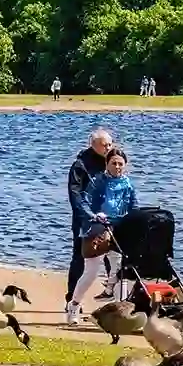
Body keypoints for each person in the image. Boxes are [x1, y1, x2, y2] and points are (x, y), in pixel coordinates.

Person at [70, 147, 136, 304]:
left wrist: (136, 220)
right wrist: (94, 215)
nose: (117, 167)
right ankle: (73, 305)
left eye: (120, 164)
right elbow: (84, 201)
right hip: (97, 229)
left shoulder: (128, 184)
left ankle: (121, 309)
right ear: (107, 164)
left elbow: (134, 206)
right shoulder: (98, 181)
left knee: (121, 272)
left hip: (119, 231)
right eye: (114, 163)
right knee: (91, 273)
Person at [63, 128, 113, 325]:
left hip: (109, 218)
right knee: (79, 258)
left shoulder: (112, 162)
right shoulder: (80, 166)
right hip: (85, 220)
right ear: (93, 145)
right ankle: (71, 300)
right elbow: (75, 195)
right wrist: (88, 216)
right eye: (104, 145)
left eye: (110, 144)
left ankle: (114, 297)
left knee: (114, 257)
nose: (108, 148)